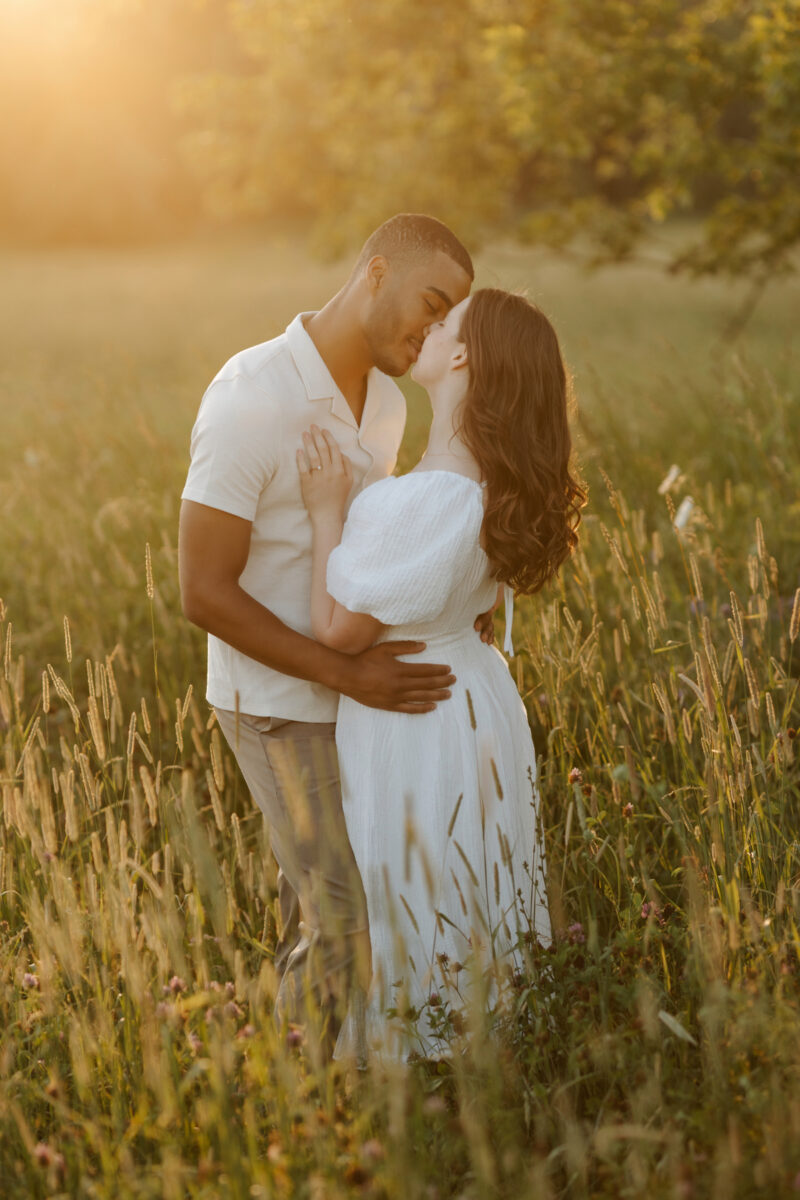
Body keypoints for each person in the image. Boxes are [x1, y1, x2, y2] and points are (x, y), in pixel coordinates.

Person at [178, 214, 497, 1056]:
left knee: (332, 908)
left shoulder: (386, 404)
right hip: (278, 702)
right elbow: (202, 591)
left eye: (448, 318)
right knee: (348, 918)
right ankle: (297, 1105)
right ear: (376, 272)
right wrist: (346, 675)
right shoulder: (252, 394)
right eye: (431, 303)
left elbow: (365, 552)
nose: (434, 330)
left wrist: (452, 598)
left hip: (357, 703)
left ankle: (318, 1082)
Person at [297, 288, 586, 1060]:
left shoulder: (416, 500)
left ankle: (416, 1063)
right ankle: (482, 1054)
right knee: (471, 882)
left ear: (462, 356)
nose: (426, 328)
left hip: (414, 715)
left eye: (445, 322)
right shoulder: (490, 486)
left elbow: (338, 630)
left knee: (415, 884)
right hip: (474, 698)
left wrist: (326, 511)